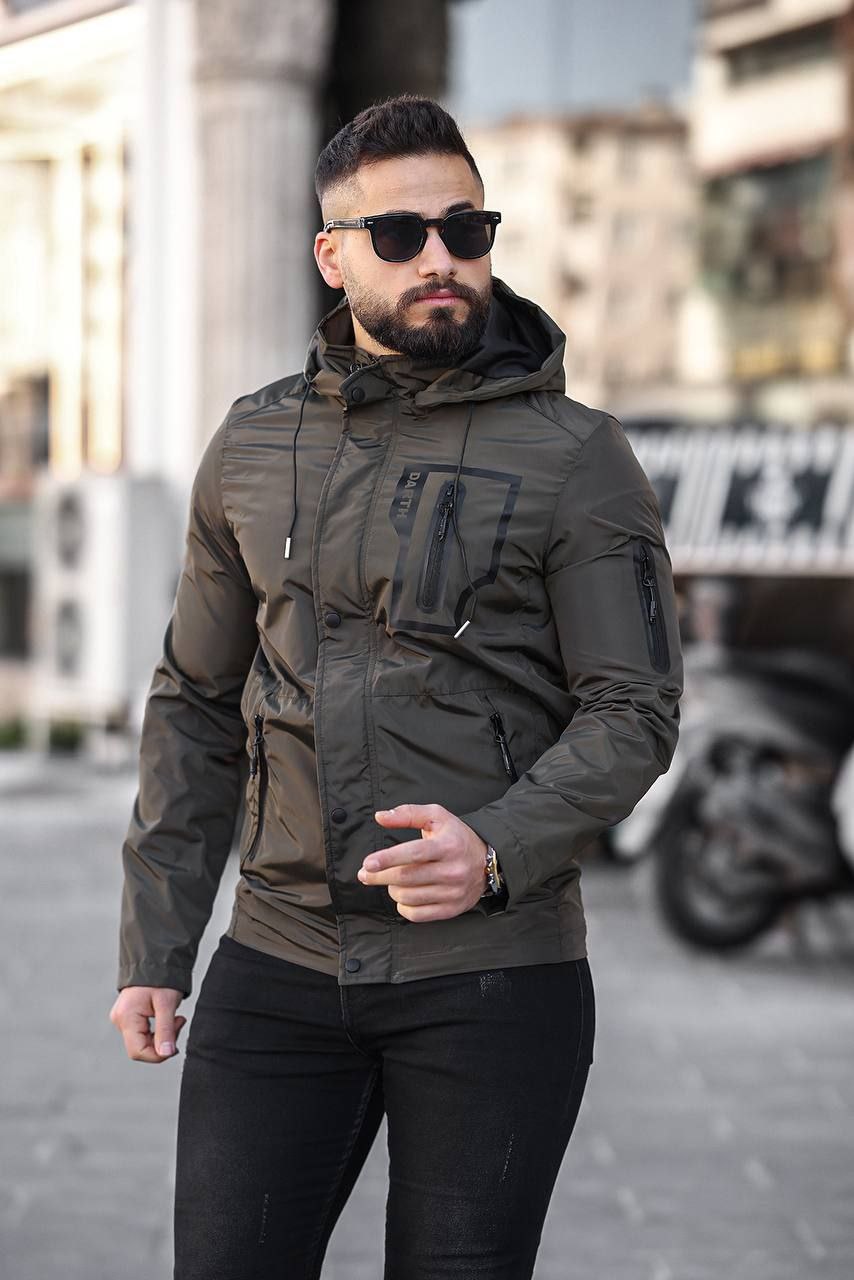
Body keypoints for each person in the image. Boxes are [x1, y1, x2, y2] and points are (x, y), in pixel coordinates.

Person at [109, 94, 683, 1279]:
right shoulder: (252, 443)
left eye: (465, 230)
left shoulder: (577, 455)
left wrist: (495, 845)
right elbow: (195, 700)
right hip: (275, 958)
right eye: (399, 234)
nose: (439, 259)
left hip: (493, 975)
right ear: (331, 255)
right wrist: (157, 943)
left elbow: (633, 707)